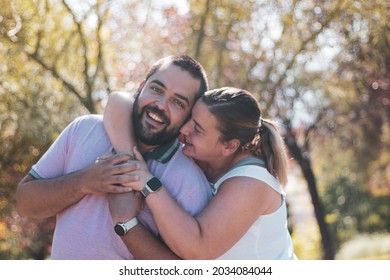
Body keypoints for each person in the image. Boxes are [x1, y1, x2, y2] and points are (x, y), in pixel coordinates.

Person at [15, 55, 212, 259]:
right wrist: (83, 182)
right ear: (141, 87)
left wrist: (126, 224)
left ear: (189, 117)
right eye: (156, 89)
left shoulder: (190, 183)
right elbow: (25, 203)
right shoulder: (84, 129)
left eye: (178, 102)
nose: (161, 105)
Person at [106, 87, 297, 259]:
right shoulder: (201, 152)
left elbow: (198, 251)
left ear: (229, 146)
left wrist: (148, 182)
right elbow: (119, 101)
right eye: (190, 118)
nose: (184, 128)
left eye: (197, 129)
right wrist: (128, 161)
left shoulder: (253, 183)